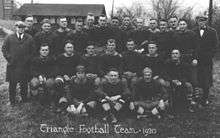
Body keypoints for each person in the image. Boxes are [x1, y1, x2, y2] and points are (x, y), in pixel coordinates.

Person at [2, 21, 35, 105]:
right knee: (12, 83)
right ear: (15, 28)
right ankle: (12, 100)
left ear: (25, 28)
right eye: (19, 27)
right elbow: (4, 49)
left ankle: (24, 99)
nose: (21, 29)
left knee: (24, 82)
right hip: (13, 65)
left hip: (25, 65)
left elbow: (33, 51)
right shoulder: (9, 37)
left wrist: (28, 59)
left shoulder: (29, 38)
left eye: (22, 28)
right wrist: (9, 58)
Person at [192, 15, 219, 106]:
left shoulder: (212, 31)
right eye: (199, 21)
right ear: (197, 22)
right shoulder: (193, 31)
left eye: (203, 21)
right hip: (196, 60)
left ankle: (205, 98)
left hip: (206, 60)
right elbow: (191, 45)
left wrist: (210, 55)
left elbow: (215, 46)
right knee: (196, 78)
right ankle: (195, 97)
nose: (201, 23)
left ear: (206, 22)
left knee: (206, 79)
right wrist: (194, 57)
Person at [54, 40, 81, 112]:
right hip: (62, 75)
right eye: (68, 47)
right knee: (58, 81)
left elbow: (79, 68)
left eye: (71, 47)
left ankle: (71, 103)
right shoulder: (60, 57)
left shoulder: (77, 56)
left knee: (73, 83)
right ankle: (58, 102)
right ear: (64, 48)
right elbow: (57, 69)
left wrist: (75, 75)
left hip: (73, 75)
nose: (70, 49)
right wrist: (64, 75)